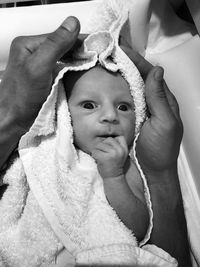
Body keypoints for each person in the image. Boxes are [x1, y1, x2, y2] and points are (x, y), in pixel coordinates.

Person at [0, 16, 191, 266]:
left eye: (124, 107)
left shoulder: (126, 163)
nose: (110, 116)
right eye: (89, 105)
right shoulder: (39, 150)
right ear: (63, 113)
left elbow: (139, 227)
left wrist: (113, 177)